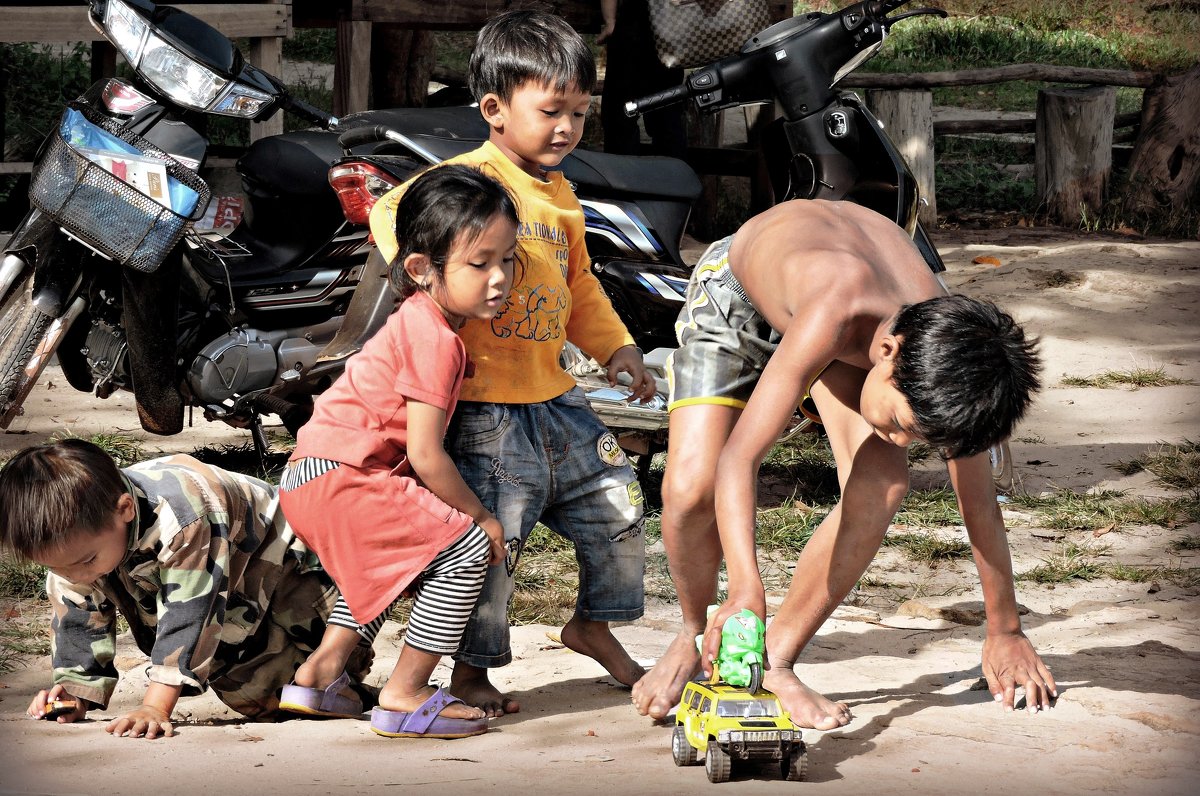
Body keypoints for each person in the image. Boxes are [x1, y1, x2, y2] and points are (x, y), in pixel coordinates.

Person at [630, 198, 1057, 728]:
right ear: (887, 353)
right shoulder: (841, 308)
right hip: (740, 293)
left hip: (848, 333)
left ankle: (775, 662)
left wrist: (1005, 630)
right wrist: (745, 586)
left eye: (917, 436)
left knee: (883, 482)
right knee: (690, 491)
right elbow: (741, 457)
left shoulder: (952, 362)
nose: (899, 438)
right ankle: (695, 634)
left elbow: (980, 506)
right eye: (900, 422)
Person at [369, 10, 658, 717]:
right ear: (495, 110)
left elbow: (579, 282)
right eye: (551, 110)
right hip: (486, 407)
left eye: (579, 114)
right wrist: (428, 285)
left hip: (556, 397)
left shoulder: (560, 195)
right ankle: (470, 670)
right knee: (498, 537)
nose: (566, 128)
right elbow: (390, 213)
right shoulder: (471, 177)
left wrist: (617, 347)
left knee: (619, 502)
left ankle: (594, 623)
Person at [276, 165, 518, 739]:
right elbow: (428, 455)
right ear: (420, 269)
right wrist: (481, 518)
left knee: (392, 564)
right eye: (479, 263)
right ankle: (406, 692)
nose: (499, 278)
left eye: (506, 259)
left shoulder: (413, 320)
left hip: (308, 474)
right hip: (347, 474)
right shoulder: (436, 340)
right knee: (461, 548)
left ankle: (318, 674)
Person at [0, 438, 372, 739]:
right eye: (54, 566)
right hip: (232, 589)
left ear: (125, 509)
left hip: (297, 568)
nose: (76, 574)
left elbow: (189, 612)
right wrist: (75, 690)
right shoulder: (81, 547)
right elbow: (78, 614)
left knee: (317, 649)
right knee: (268, 702)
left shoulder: (184, 515)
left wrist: (155, 707)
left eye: (85, 562)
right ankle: (348, 696)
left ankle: (346, 670)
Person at [597, 0, 687, 158]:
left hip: (634, 28)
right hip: (669, 29)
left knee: (621, 116)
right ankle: (672, 177)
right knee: (667, 113)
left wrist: (610, 20)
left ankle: (622, 179)